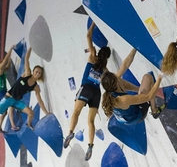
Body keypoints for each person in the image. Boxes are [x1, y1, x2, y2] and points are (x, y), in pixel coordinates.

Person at [63, 22, 111, 161]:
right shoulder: (105, 70)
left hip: (86, 89)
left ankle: (70, 133)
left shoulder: (92, 57)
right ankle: (90, 145)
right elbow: (114, 80)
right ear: (107, 58)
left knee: (76, 112)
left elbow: (88, 35)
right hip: (96, 93)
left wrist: (93, 23)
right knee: (90, 122)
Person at [0, 47, 49, 130]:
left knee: (31, 113)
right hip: (8, 98)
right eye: (36, 71)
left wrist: (47, 113)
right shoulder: (27, 73)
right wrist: (31, 46)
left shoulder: (35, 87)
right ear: (33, 71)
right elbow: (26, 59)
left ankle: (28, 125)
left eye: (39, 73)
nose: (37, 73)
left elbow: (40, 101)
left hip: (16, 101)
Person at [101, 48, 166, 125]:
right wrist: (161, 75)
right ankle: (154, 111)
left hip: (126, 114)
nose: (116, 76)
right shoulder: (123, 100)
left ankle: (139, 89)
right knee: (148, 77)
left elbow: (125, 65)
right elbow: (149, 96)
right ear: (114, 82)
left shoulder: (110, 88)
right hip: (137, 115)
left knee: (121, 80)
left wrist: (135, 48)